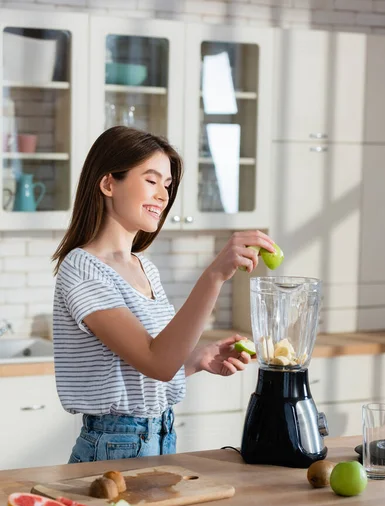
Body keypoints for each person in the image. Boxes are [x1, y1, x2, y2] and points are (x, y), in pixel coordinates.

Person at [52, 126, 276, 463]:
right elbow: (156, 362)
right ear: (108, 183)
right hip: (115, 444)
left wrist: (197, 359)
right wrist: (214, 275)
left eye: (167, 185)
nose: (163, 195)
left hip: (160, 435)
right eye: (152, 180)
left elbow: (147, 365)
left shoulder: (144, 267)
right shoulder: (83, 269)